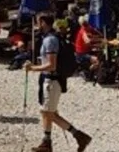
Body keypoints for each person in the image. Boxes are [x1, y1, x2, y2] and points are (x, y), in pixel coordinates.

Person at [25, 13, 92, 152]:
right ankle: (47, 142)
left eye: (38, 22)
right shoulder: (51, 38)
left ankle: (78, 136)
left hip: (52, 80)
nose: (37, 25)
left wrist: (32, 68)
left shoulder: (50, 40)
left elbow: (51, 65)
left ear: (43, 22)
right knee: (48, 112)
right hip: (51, 80)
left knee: (46, 112)